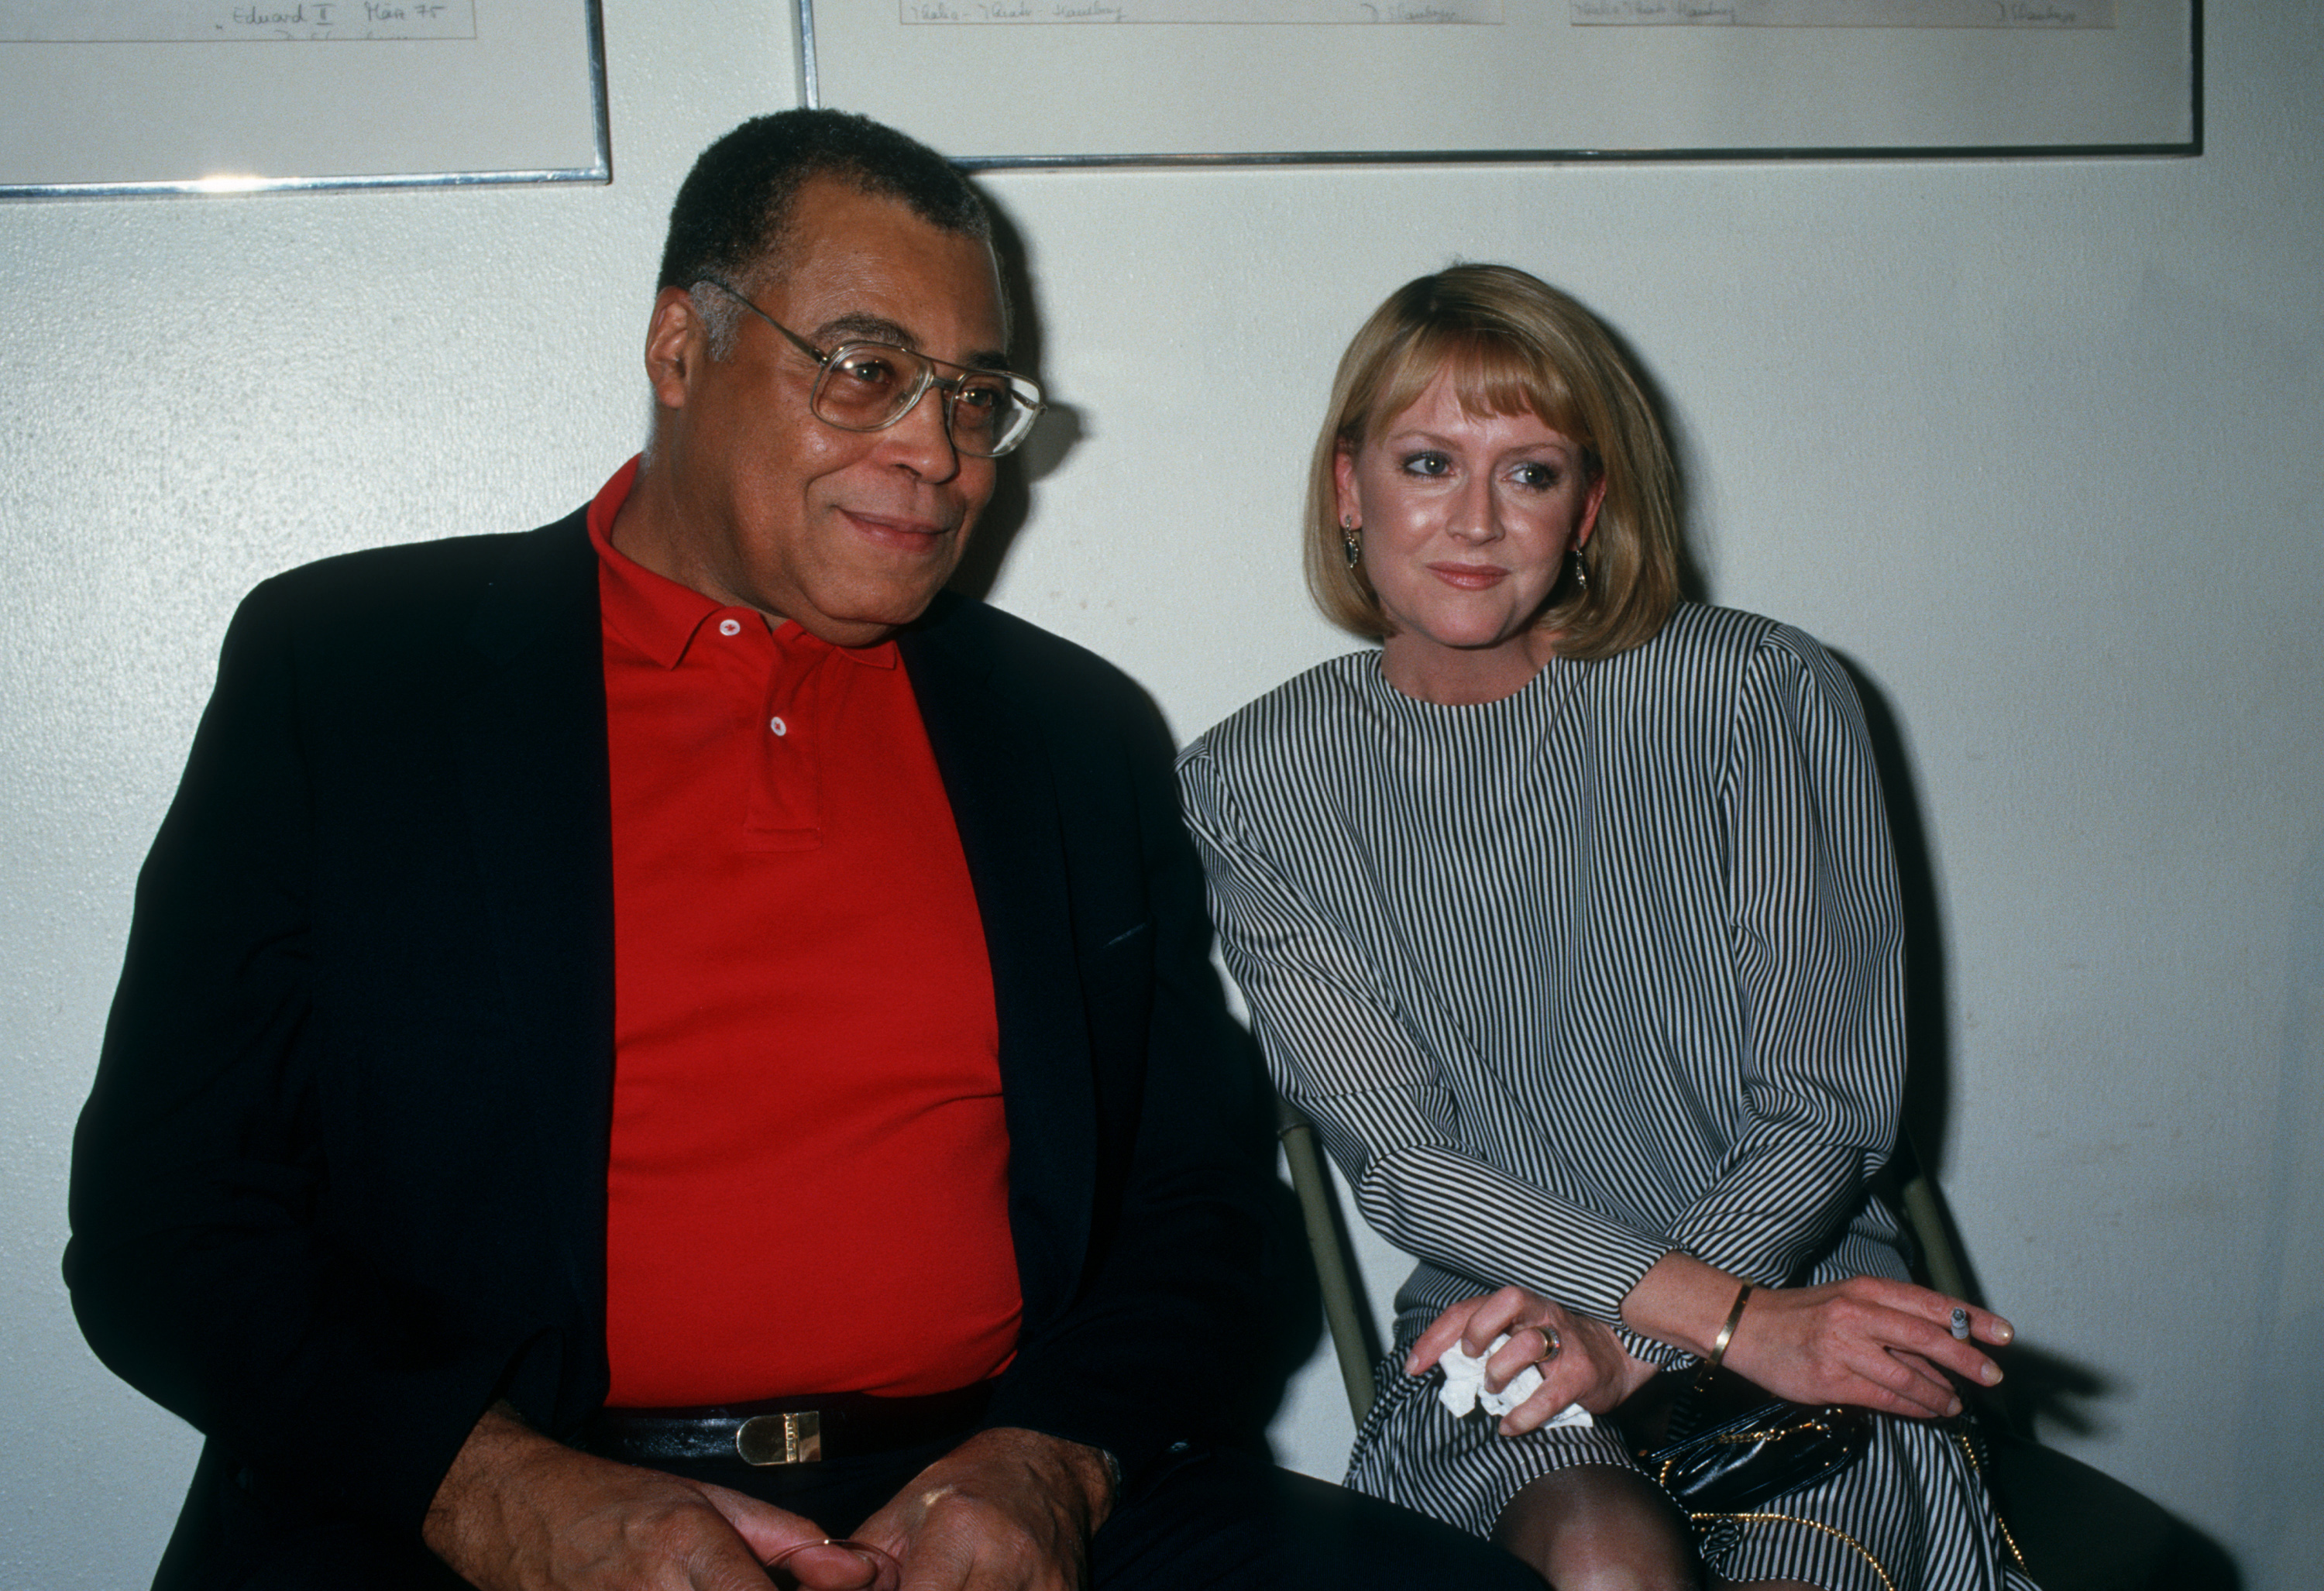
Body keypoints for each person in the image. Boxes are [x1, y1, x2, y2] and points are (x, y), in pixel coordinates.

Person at [66, 112, 1544, 1591]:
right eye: (864, 369)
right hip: (477, 1499)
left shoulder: (1066, 733)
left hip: (981, 1488)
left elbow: (1210, 1209)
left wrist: (1053, 1460)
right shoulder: (355, 677)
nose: (936, 452)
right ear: (678, 349)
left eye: (974, 397)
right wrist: (501, 1495)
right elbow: (164, 1218)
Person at [1176, 265, 2038, 1591]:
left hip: (1799, 1288)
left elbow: (1828, 1102)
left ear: (1590, 506)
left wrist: (1673, 1334)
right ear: (1349, 489)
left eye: (1528, 472)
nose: (1472, 520)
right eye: (1426, 462)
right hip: (1499, 1320)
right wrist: (1695, 1322)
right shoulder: (1251, 780)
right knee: (1594, 1554)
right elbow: (1408, 1162)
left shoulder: (1761, 693)